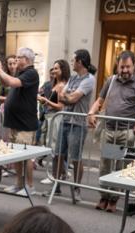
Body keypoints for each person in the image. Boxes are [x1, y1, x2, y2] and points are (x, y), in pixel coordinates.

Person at [88, 50, 135, 212]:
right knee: (105, 165)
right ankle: (104, 196)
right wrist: (92, 112)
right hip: (109, 130)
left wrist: (133, 132)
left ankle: (114, 199)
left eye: (128, 67)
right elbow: (99, 101)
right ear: (118, 66)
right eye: (122, 67)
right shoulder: (111, 80)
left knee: (121, 167)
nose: (124, 70)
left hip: (125, 133)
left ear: (134, 66)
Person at [0, 47, 40, 196]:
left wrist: (0, 69)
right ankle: (19, 184)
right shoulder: (21, 73)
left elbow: (13, 83)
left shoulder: (31, 73)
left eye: (19, 57)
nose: (16, 59)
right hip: (15, 122)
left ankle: (30, 186)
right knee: (16, 155)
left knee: (26, 156)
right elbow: (6, 83)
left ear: (26, 60)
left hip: (25, 124)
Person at [55, 49, 97, 198]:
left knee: (75, 157)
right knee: (58, 154)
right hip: (65, 120)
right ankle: (56, 185)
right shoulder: (73, 78)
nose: (72, 62)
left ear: (80, 62)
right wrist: (67, 96)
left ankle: (76, 188)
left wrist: (67, 96)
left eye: (73, 60)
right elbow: (61, 96)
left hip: (78, 123)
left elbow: (72, 98)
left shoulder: (89, 79)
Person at [37, 59, 69, 152]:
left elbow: (60, 106)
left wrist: (46, 100)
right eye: (53, 68)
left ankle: (59, 165)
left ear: (62, 70)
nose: (54, 70)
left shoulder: (62, 86)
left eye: (56, 68)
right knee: (49, 144)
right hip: (49, 117)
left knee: (54, 146)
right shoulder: (55, 84)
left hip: (56, 118)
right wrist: (43, 101)